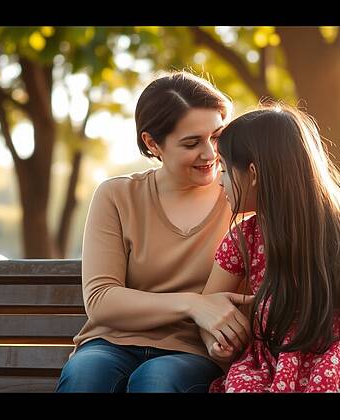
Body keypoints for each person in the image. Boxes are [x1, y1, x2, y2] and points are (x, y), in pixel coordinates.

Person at [199, 103, 340, 392]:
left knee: (330, 378)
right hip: (274, 361)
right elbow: (209, 306)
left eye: (224, 169)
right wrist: (215, 343)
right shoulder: (244, 239)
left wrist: (330, 314)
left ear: (254, 174)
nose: (220, 182)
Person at [56, 71, 254, 393]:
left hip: (194, 352)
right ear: (152, 143)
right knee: (85, 375)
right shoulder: (117, 196)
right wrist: (193, 304)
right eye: (191, 143)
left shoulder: (243, 198)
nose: (210, 153)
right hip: (111, 344)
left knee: (157, 381)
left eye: (216, 137)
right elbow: (101, 299)